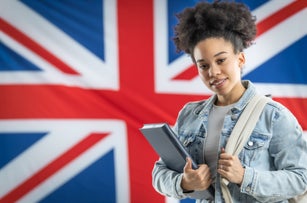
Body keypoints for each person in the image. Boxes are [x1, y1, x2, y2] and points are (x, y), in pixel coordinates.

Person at [152, 1, 307, 203]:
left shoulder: (273, 115)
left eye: (221, 60)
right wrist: (185, 182)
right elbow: (159, 173)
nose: (213, 72)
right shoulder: (190, 115)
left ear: (240, 59)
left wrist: (245, 176)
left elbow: (301, 179)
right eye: (203, 65)